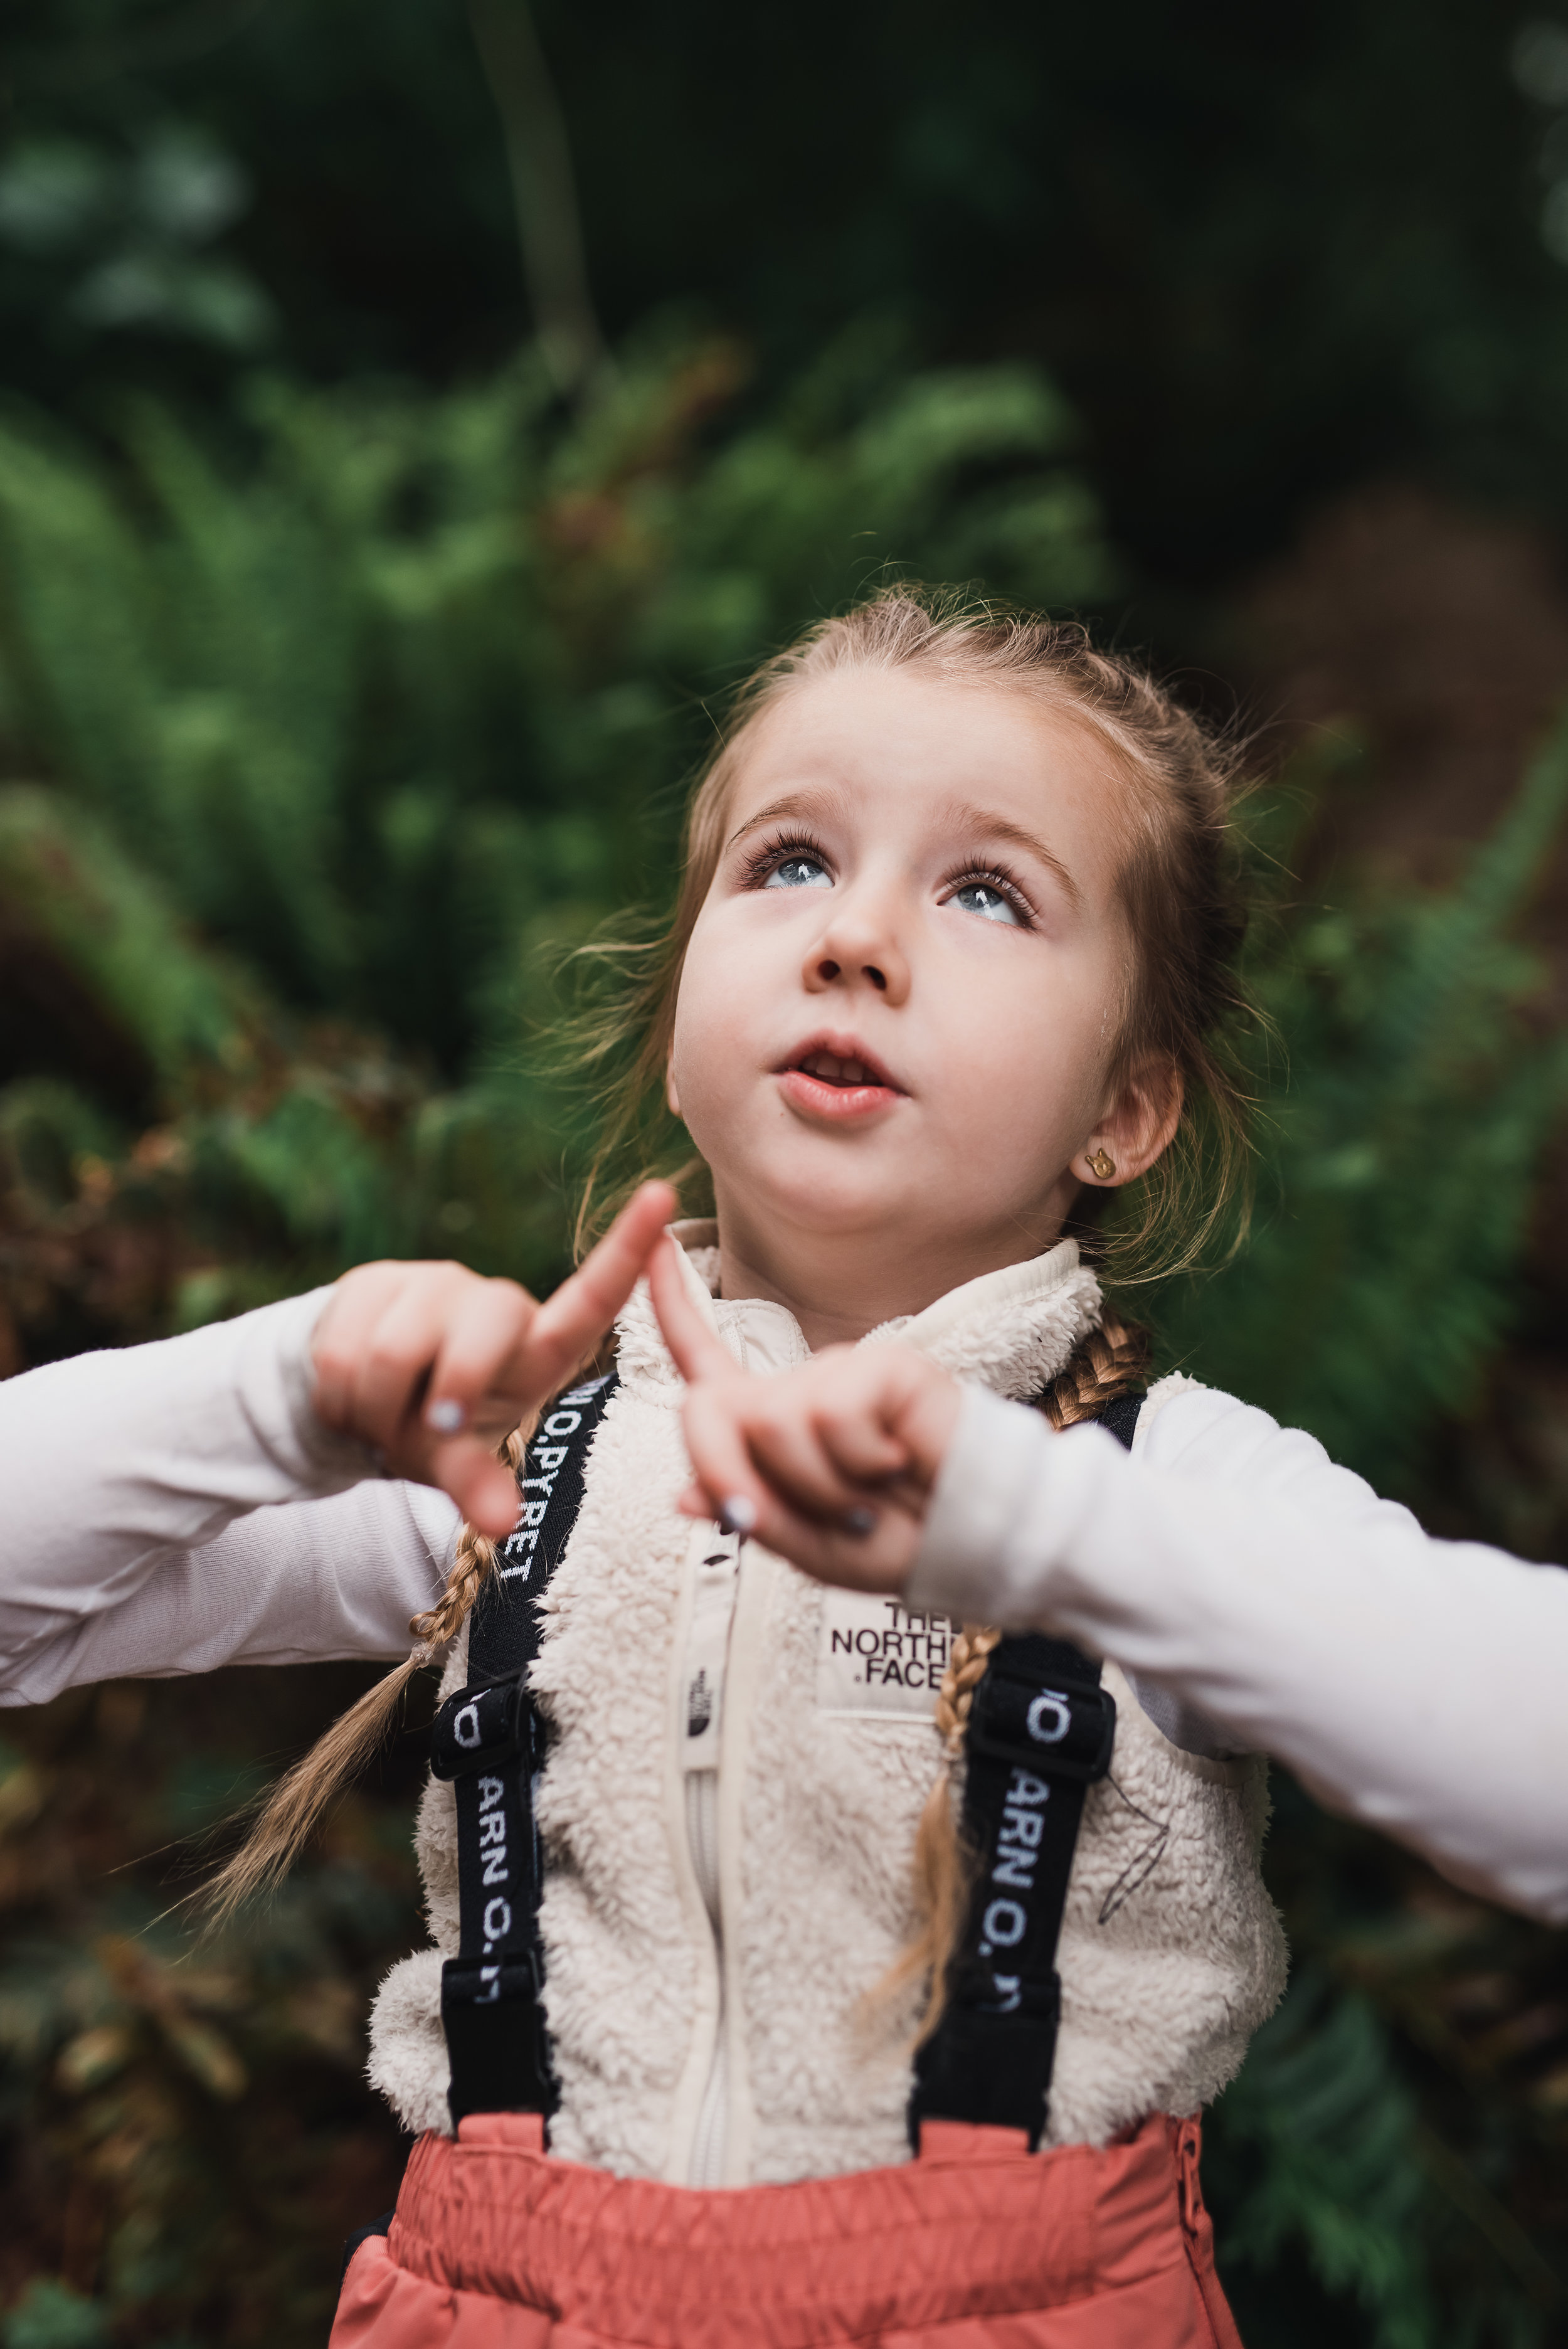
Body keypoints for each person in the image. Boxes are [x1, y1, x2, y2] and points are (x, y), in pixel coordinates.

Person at [1, 585, 1529, 2348]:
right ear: (677, 1012)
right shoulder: (515, 1475)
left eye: (986, 892)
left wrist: (1051, 1533)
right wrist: (277, 1388)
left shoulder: (1160, 1486)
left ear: (1125, 1108)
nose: (854, 938)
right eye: (790, 861)